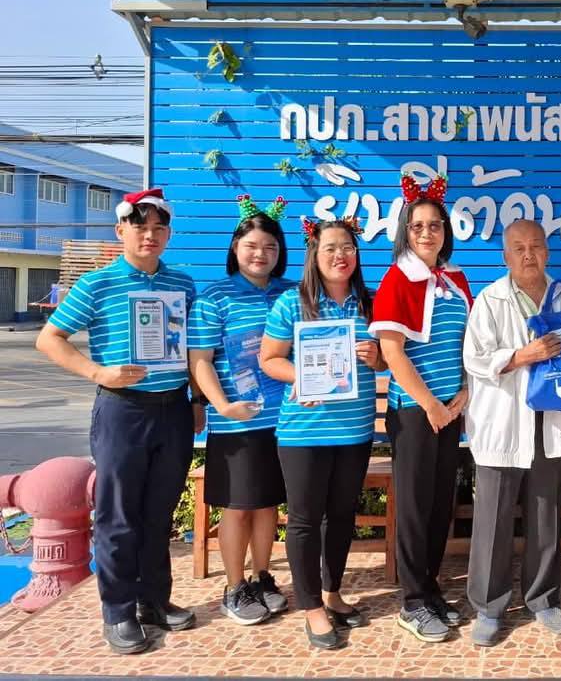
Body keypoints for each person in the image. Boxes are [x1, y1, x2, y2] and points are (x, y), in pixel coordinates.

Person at [35, 188, 197, 655]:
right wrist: (96, 371)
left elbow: (193, 349)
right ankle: (119, 611)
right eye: (140, 226)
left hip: (173, 408)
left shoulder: (182, 284)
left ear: (168, 234)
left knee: (159, 511)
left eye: (159, 228)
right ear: (120, 230)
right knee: (118, 514)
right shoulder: (96, 285)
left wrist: (198, 399)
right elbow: (50, 339)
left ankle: (154, 602)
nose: (150, 235)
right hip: (122, 409)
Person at [259, 217, 385, 650]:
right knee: (305, 519)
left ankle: (333, 593)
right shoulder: (293, 304)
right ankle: (311, 606)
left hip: (353, 431)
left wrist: (375, 357)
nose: (340, 255)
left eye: (348, 248)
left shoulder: (368, 303)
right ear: (315, 253)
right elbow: (269, 358)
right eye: (331, 247)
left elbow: (387, 362)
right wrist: (300, 378)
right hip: (305, 432)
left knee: (342, 516)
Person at [462, 219, 561, 646]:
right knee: (492, 521)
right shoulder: (489, 299)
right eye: (519, 248)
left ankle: (543, 599)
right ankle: (489, 607)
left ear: (547, 250)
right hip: (501, 423)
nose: (529, 255)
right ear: (506, 256)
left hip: (547, 423)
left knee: (544, 515)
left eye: (536, 246)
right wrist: (520, 356)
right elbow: (475, 359)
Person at [370, 173, 473, 644]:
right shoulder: (397, 279)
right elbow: (393, 353)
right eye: (418, 227)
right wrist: (430, 403)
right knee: (413, 508)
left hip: (449, 410)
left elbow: (468, 344)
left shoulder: (456, 279)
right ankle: (412, 601)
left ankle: (430, 587)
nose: (427, 233)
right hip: (416, 411)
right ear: (405, 232)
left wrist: (464, 394)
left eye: (435, 225)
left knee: (438, 505)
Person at [188, 196, 292, 626]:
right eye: (252, 245)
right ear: (235, 248)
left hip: (285, 418)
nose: (260, 254)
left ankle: (262, 577)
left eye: (269, 247)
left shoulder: (291, 293)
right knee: (238, 506)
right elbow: (200, 359)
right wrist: (222, 406)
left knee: (268, 504)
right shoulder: (215, 297)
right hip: (238, 418)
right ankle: (234, 586)